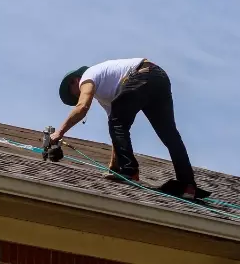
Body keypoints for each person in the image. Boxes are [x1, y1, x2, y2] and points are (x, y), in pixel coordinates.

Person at [52, 58, 199, 199]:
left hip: (142, 75)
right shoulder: (107, 93)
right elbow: (117, 130)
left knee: (118, 122)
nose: (78, 96)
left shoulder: (87, 77)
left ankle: (130, 170)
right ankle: (188, 185)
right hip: (158, 78)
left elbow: (82, 107)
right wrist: (113, 167)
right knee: (169, 135)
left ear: (75, 81)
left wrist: (59, 133)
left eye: (75, 93)